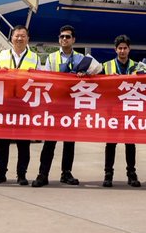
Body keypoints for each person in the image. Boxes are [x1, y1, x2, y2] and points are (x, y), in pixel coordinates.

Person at [33, 25, 101, 187]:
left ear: (73, 40)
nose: (64, 39)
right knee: (50, 142)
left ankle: (66, 173)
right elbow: (46, 79)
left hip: (71, 106)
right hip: (55, 105)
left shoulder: (81, 58)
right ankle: (43, 174)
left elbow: (98, 71)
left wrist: (86, 75)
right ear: (59, 39)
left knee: (69, 142)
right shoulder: (51, 58)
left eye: (68, 37)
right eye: (62, 36)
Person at [0, 25, 39, 185]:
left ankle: (21, 174)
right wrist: (1, 73)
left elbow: (41, 80)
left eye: (23, 36)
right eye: (16, 36)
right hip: (5, 104)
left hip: (24, 105)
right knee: (2, 141)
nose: (19, 38)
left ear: (28, 39)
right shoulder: (2, 55)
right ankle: (1, 172)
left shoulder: (35, 57)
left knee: (23, 142)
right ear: (11, 38)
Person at [100, 34, 141, 188]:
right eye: (120, 48)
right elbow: (97, 85)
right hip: (113, 111)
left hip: (130, 110)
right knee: (111, 144)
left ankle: (131, 174)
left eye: (125, 48)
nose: (122, 51)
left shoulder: (138, 67)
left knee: (130, 143)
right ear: (115, 50)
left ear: (129, 49)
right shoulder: (106, 66)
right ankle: (108, 174)